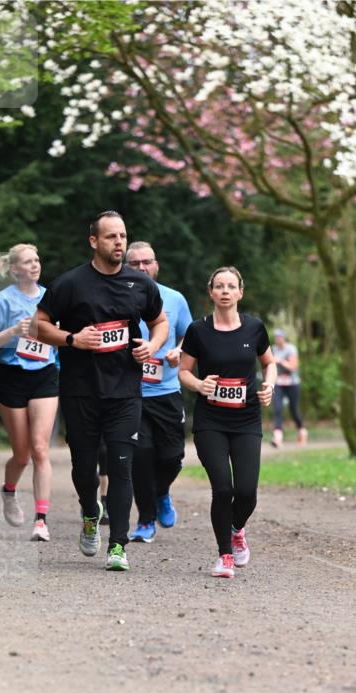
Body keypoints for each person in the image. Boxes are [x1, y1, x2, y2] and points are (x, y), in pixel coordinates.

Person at [35, 210, 168, 571]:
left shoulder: (140, 284)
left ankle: (118, 545)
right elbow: (38, 326)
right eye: (111, 237)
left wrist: (152, 346)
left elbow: (160, 322)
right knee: (84, 468)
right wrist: (72, 339)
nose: (119, 243)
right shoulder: (70, 283)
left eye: (123, 236)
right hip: (81, 391)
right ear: (93, 241)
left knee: (122, 467)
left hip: (125, 391)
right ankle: (90, 512)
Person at [179, 266, 277, 579]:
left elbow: (270, 363)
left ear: (239, 292)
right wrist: (198, 385)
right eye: (219, 286)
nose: (224, 291)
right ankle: (225, 555)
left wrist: (269, 385)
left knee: (247, 492)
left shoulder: (254, 328)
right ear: (211, 292)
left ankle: (237, 529)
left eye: (230, 286)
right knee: (223, 489)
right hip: (211, 419)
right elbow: (183, 371)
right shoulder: (198, 330)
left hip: (247, 417)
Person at [0, 244, 58, 541]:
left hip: (46, 376)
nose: (35, 265)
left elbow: (60, 338)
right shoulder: (2, 301)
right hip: (12, 377)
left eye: (37, 259)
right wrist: (13, 332)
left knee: (40, 448)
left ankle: (40, 520)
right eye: (27, 261)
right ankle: (9, 491)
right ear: (14, 269)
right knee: (22, 455)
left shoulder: (52, 299)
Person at [124, 241, 192, 543]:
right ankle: (145, 520)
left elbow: (189, 338)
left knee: (172, 455)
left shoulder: (174, 299)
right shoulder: (115, 296)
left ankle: (162, 491)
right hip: (129, 393)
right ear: (126, 267)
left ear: (156, 264)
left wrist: (178, 351)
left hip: (166, 390)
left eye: (146, 262)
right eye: (135, 264)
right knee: (140, 455)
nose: (141, 268)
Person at [271, 328, 307, 447]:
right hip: (278, 383)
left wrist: (280, 361)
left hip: (292, 383)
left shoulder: (291, 349)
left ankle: (302, 430)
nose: (278, 339)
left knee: (293, 409)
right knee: (277, 409)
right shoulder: (273, 349)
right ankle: (277, 438)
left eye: (280, 337)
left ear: (284, 338)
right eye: (276, 337)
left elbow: (293, 367)